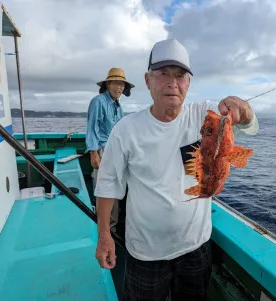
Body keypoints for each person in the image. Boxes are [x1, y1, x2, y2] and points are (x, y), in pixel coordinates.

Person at [94, 39, 259, 301]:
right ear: (148, 81)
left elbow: (251, 125)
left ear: (188, 83)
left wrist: (243, 108)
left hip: (196, 248)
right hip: (145, 254)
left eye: (180, 75)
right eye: (163, 74)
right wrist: (104, 236)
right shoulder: (126, 130)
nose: (172, 82)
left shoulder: (205, 115)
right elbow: (107, 185)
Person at [85, 67, 134, 232]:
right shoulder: (98, 101)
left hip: (116, 151)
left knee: (117, 188)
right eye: (115, 83)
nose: (119, 88)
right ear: (107, 84)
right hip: (102, 151)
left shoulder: (118, 105)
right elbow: (92, 128)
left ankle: (113, 227)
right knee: (105, 191)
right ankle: (106, 231)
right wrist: (94, 153)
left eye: (121, 84)